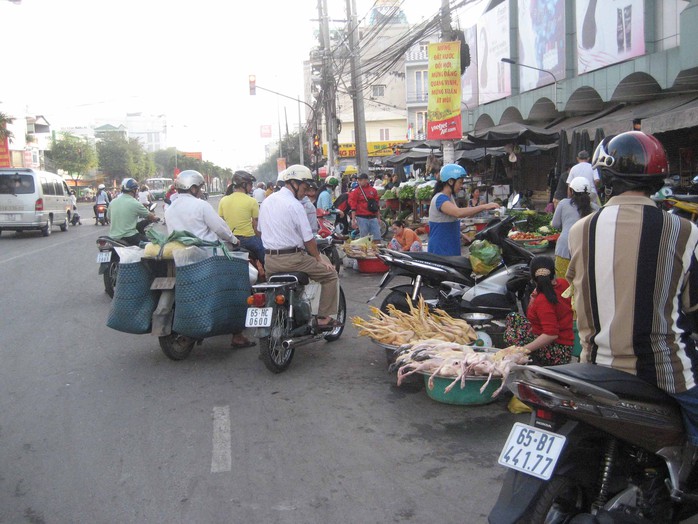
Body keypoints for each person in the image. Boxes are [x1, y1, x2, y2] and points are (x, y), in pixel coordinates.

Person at [567, 130, 698, 446]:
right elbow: (692, 305)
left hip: (595, 367)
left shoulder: (580, 230)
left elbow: (575, 291)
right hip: (666, 372)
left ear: (605, 178)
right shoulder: (685, 231)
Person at [165, 170, 254, 349]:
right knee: (242, 280)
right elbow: (220, 228)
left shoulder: (170, 207)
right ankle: (237, 334)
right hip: (208, 256)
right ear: (193, 188)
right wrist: (235, 240)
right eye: (200, 187)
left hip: (182, 258)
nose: (201, 191)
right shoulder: (201, 205)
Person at [258, 164, 341, 331]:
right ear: (294, 183)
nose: (305, 192)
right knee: (330, 274)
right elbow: (308, 239)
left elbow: (260, 231)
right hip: (293, 260)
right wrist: (318, 258)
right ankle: (324, 318)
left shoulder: (267, 202)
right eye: (304, 187)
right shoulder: (295, 205)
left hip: (270, 261)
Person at [504, 255, 574, 366]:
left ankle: (531, 361)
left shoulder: (543, 301)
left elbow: (551, 334)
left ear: (532, 277)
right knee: (513, 317)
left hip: (557, 351)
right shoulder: (563, 283)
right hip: (565, 341)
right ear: (553, 272)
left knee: (512, 334)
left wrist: (522, 350)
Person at [427, 164, 499, 256]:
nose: (461, 186)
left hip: (450, 248)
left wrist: (463, 236)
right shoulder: (440, 199)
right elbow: (458, 213)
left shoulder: (450, 197)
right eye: (460, 182)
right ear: (450, 181)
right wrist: (484, 206)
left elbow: (450, 221)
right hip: (441, 250)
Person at [551, 176, 599, 278]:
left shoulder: (563, 203)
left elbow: (555, 224)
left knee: (564, 285)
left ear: (571, 191)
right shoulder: (596, 208)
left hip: (564, 250)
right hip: (586, 251)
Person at [218, 170, 265, 265]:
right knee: (265, 255)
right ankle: (268, 272)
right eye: (250, 184)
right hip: (248, 240)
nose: (251, 186)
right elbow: (256, 226)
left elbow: (221, 223)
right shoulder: (252, 201)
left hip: (230, 240)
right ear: (244, 185)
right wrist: (261, 238)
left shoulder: (223, 200)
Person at [107, 178, 158, 246]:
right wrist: (154, 217)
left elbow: (108, 218)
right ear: (133, 190)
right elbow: (150, 216)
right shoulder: (135, 203)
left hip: (113, 237)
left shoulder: (113, 202)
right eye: (136, 190)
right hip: (130, 237)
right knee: (150, 245)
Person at [348, 173, 382, 240]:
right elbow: (353, 206)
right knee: (364, 239)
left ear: (366, 180)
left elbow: (377, 205)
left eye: (361, 180)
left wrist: (378, 218)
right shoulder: (356, 192)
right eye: (359, 180)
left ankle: (376, 250)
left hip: (373, 217)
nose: (359, 181)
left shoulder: (373, 190)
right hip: (361, 218)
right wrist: (353, 220)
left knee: (377, 238)